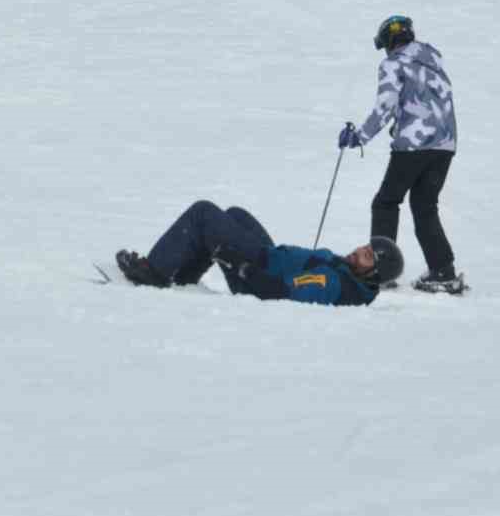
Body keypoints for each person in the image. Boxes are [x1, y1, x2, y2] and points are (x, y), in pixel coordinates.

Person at [338, 15, 466, 293]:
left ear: (388, 42)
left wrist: (359, 136)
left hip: (413, 145)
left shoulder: (393, 63)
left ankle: (380, 272)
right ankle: (443, 271)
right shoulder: (433, 60)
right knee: (424, 206)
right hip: (445, 145)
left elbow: (385, 105)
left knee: (385, 202)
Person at [115, 200, 401, 306]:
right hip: (270, 257)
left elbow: (281, 292)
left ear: (373, 273)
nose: (357, 252)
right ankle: (185, 275)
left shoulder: (332, 284)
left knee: (203, 213)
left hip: (257, 273)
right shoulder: (349, 273)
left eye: (365, 256)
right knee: (235, 215)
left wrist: (243, 267)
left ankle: (154, 272)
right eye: (363, 247)